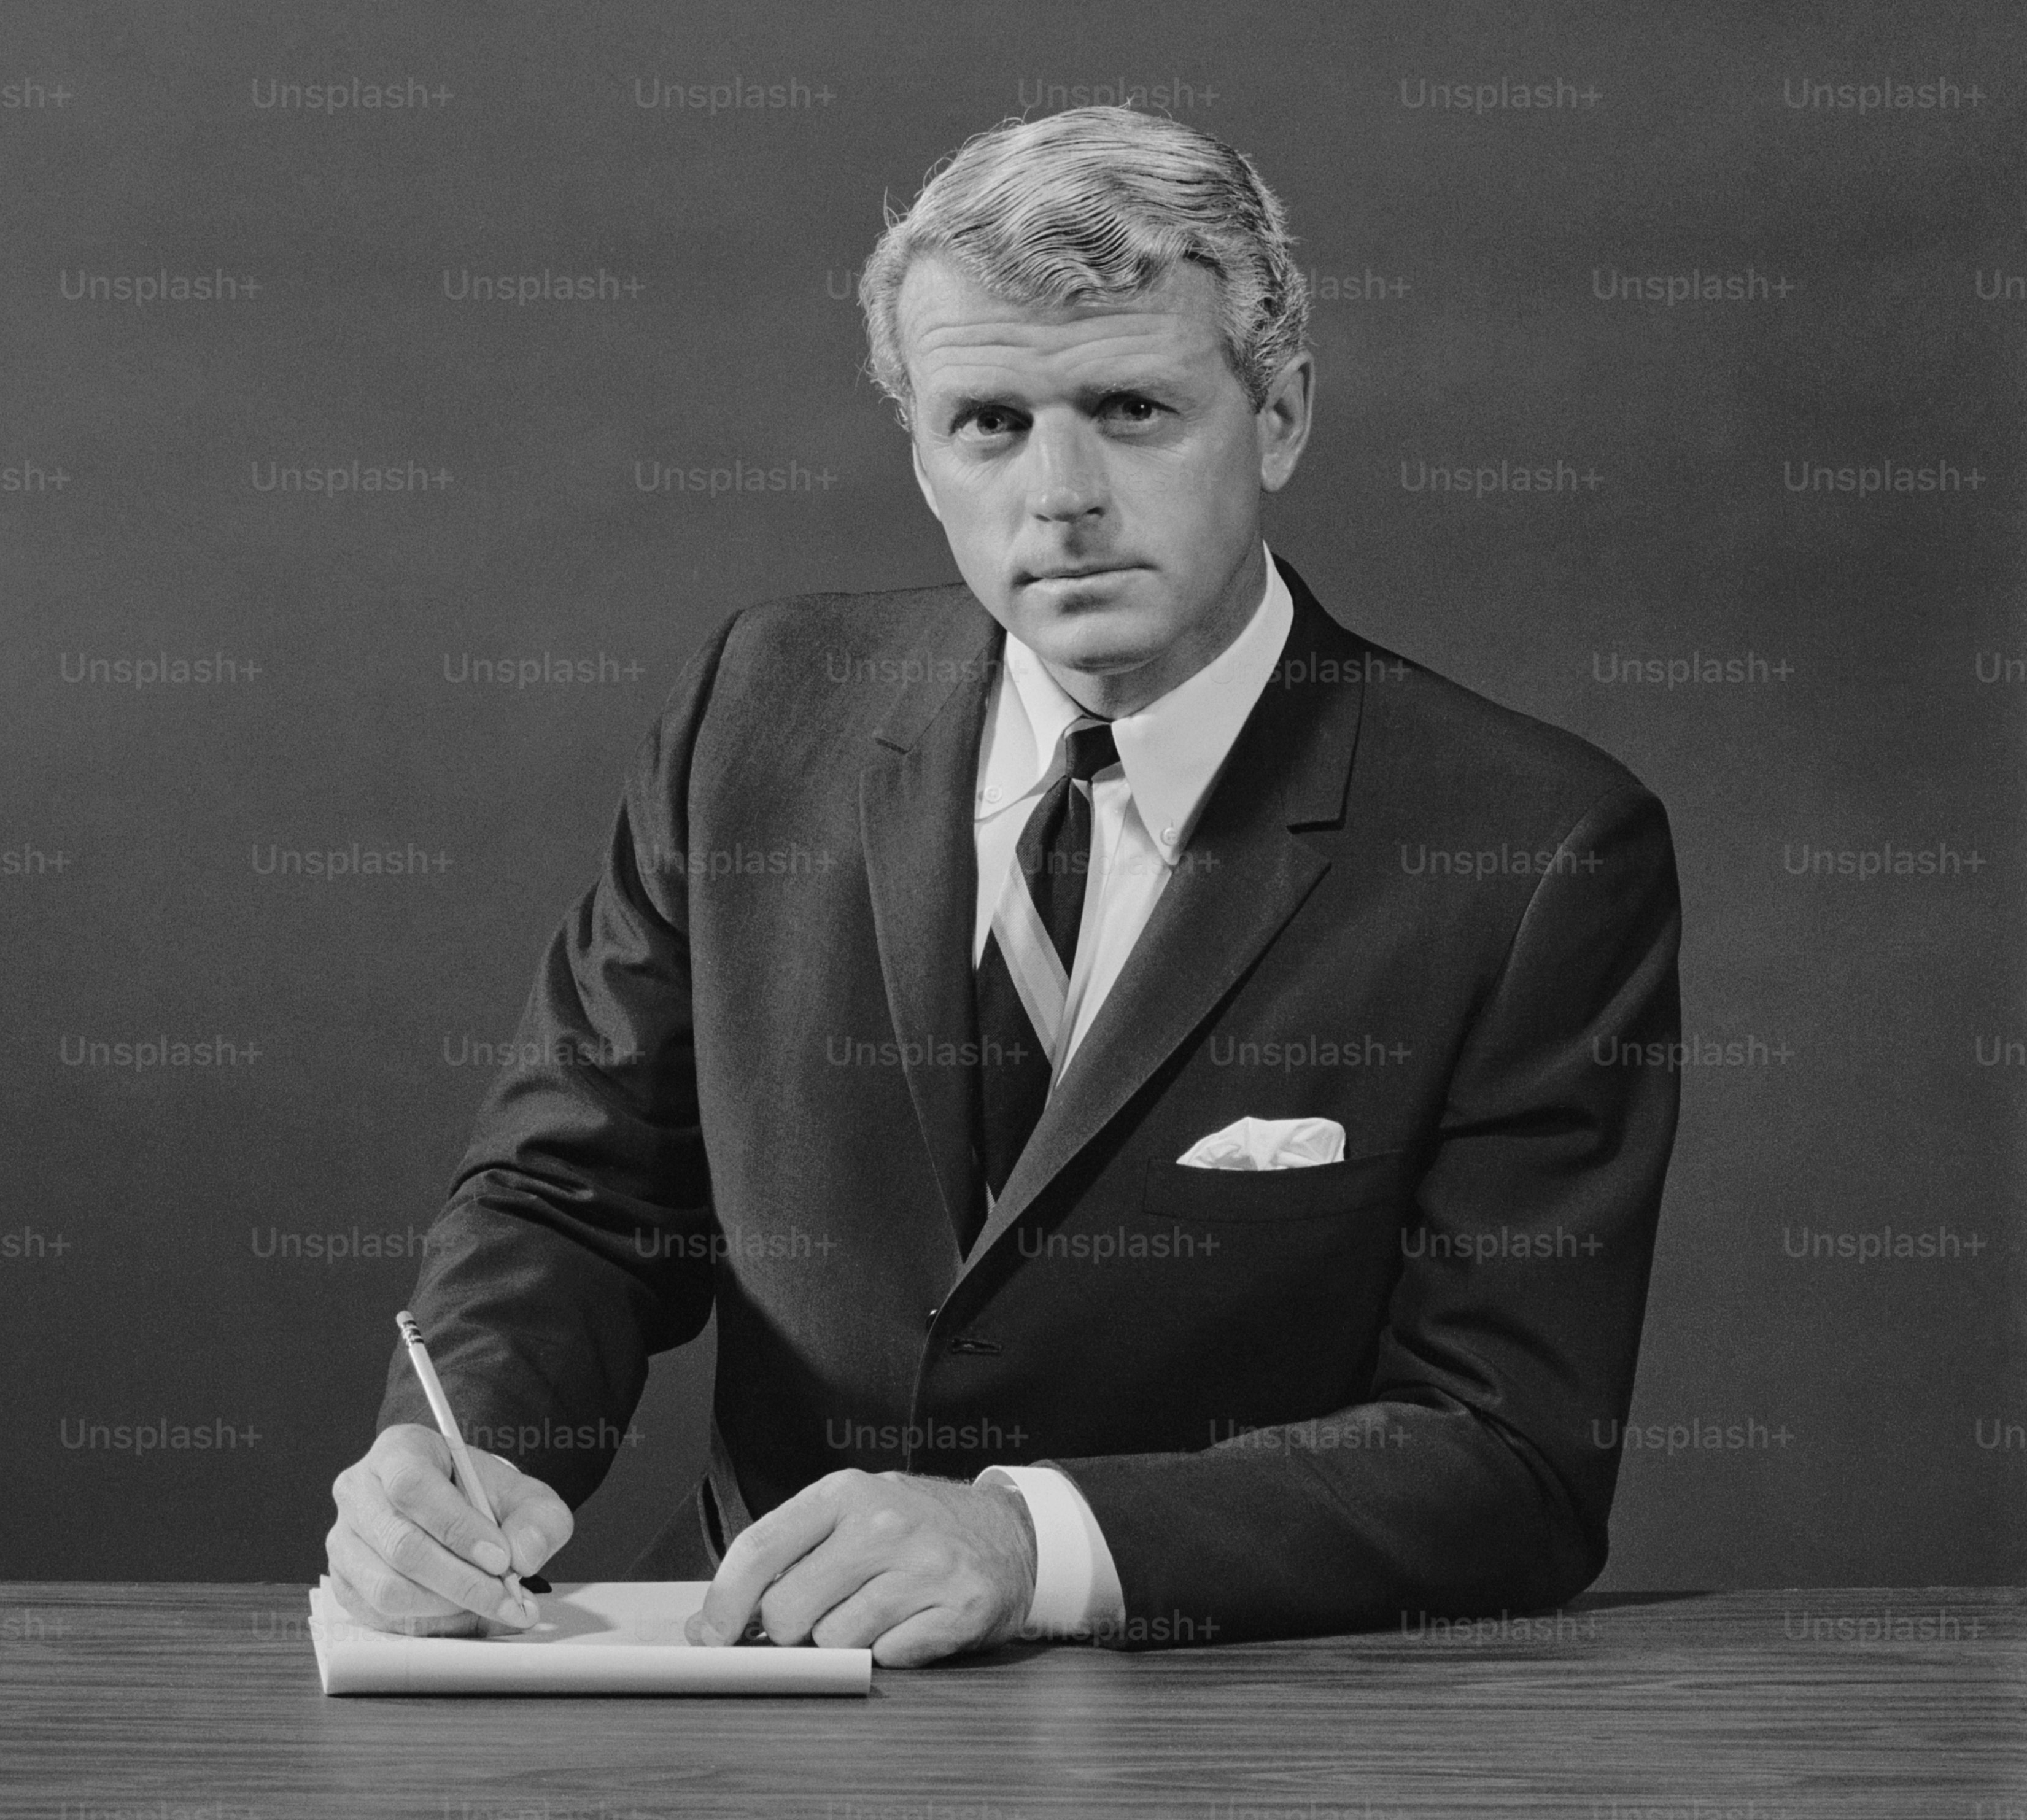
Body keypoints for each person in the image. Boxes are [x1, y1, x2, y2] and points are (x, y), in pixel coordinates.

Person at [325, 104, 1681, 1663]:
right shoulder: (758, 705)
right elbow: (575, 1192)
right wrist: (469, 1454)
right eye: (987, 421)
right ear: (917, 448)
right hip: (751, 1669)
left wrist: (1026, 1537)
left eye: (1130, 407)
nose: (1061, 494)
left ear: (1282, 413)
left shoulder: (1533, 847)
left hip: (1237, 1709)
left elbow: (1508, 1458)